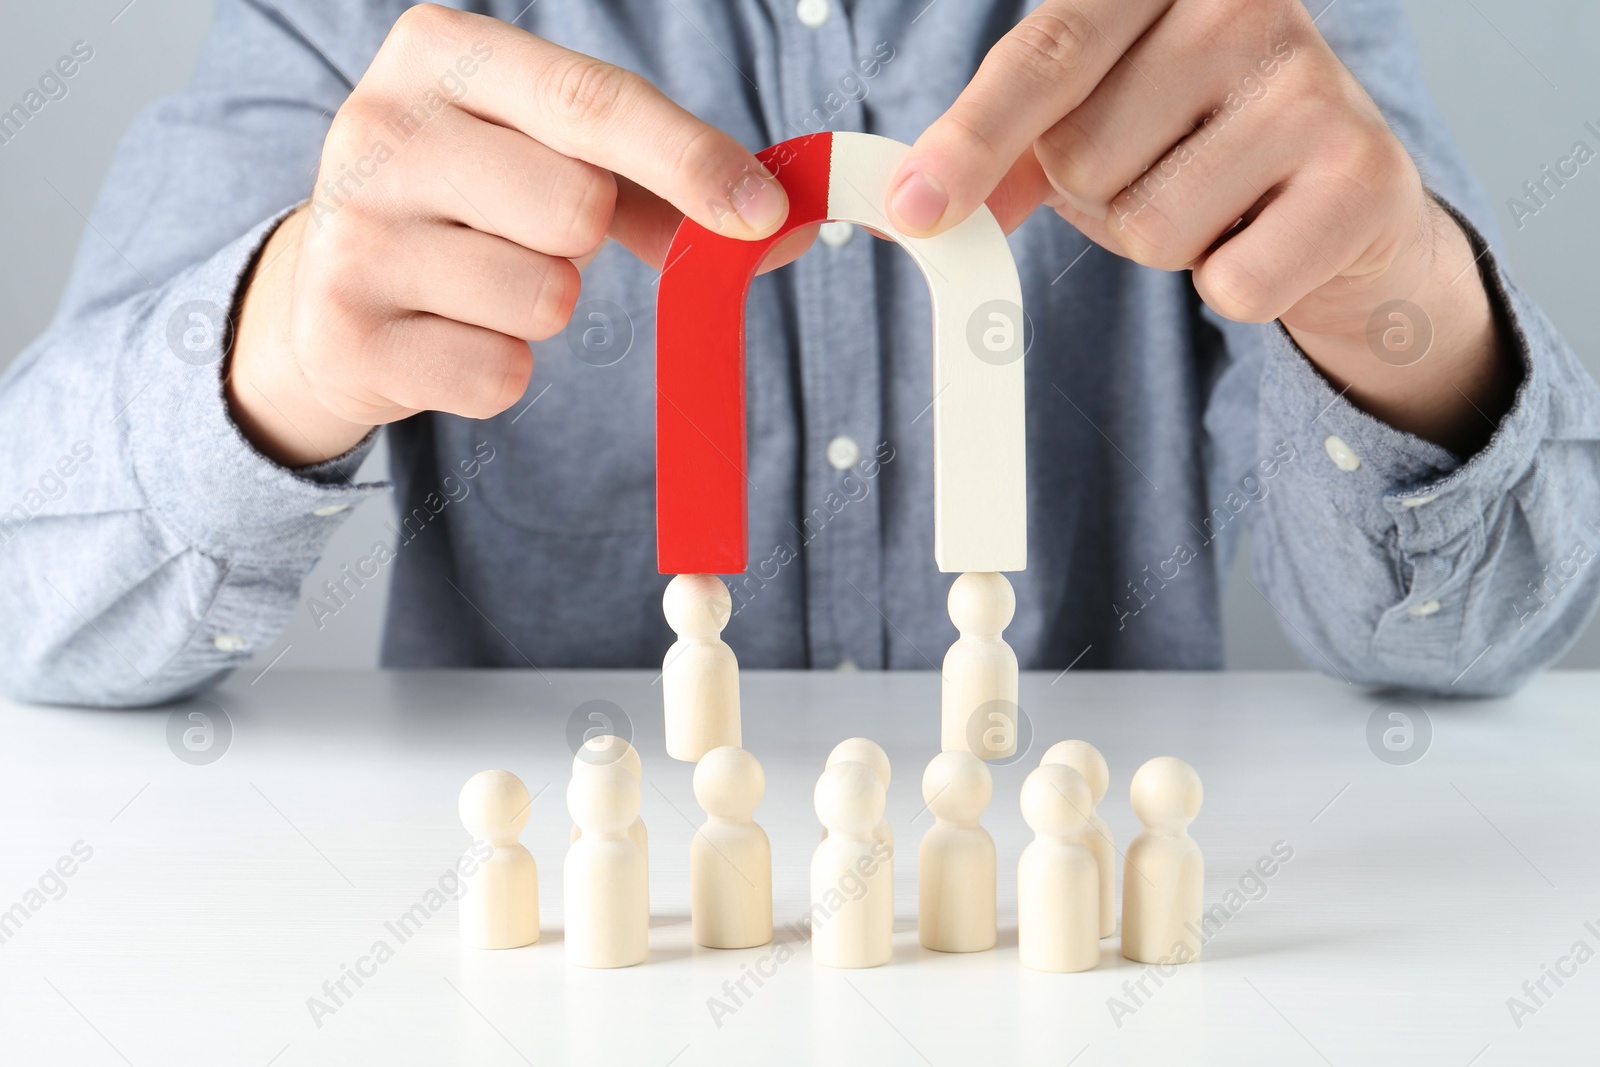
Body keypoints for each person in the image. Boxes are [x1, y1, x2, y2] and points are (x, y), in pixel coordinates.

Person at [1, 0, 1595, 708]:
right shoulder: (355, 16)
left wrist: (1406, 313)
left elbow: (1474, 640)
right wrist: (276, 348)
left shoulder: (1234, 22)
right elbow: (32, 609)